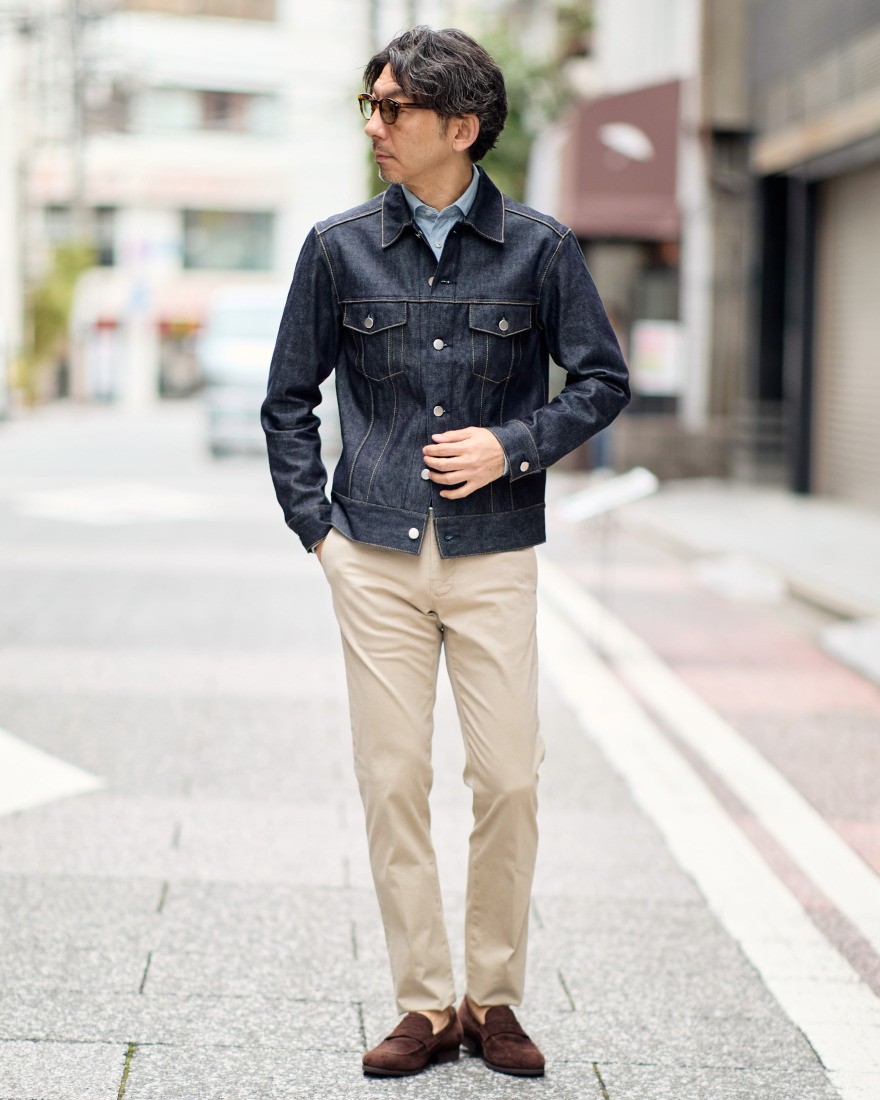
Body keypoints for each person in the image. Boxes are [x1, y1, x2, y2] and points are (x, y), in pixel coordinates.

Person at [262, 25, 629, 1079]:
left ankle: (492, 997)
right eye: (370, 106)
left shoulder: (541, 247)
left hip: (492, 552)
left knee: (509, 778)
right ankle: (424, 1005)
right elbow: (287, 401)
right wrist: (318, 532)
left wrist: (513, 444)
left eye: (394, 109)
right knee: (392, 781)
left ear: (461, 127)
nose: (374, 127)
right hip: (371, 553)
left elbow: (602, 381)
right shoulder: (336, 247)